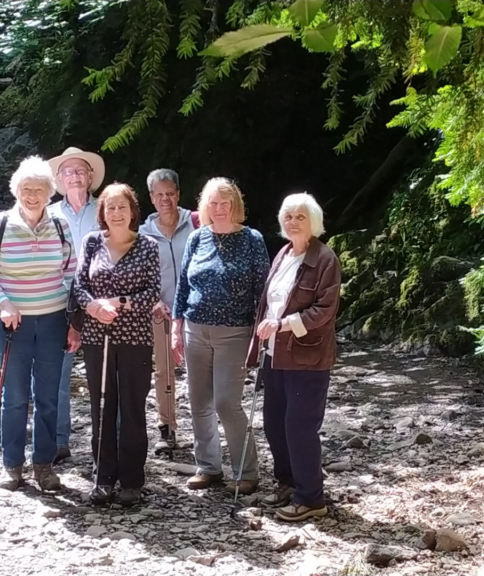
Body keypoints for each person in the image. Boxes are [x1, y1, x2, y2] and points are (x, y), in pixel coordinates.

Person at [0, 155, 81, 492]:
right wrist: (3, 303)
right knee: (15, 396)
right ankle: (12, 466)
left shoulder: (61, 226)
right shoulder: (0, 224)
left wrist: (72, 321)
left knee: (48, 396)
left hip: (53, 321)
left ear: (50, 193)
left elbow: (71, 273)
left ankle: (44, 465)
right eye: (25, 188)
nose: (32, 195)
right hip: (12, 324)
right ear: (16, 190)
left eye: (38, 189)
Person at [171, 177, 269, 495]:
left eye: (225, 202)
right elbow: (183, 287)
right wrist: (175, 328)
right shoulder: (197, 238)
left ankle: (247, 472)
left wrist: (263, 331)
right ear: (205, 207)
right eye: (213, 203)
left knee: (227, 403)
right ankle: (208, 468)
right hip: (194, 330)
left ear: (235, 205)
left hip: (235, 333)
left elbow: (264, 290)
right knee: (199, 402)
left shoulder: (252, 239)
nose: (219, 208)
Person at [248, 192, 341, 522]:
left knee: (300, 427)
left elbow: (324, 310)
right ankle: (289, 482)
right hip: (275, 355)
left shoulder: (325, 259)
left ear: (313, 222)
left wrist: (284, 324)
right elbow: (269, 302)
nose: (292, 221)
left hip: (307, 358)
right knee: (274, 425)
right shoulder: (284, 254)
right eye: (288, 216)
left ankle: (311, 497)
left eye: (300, 216)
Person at [74, 183, 161, 507]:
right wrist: (94, 306)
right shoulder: (91, 242)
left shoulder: (148, 246)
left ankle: (132, 481)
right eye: (110, 207)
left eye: (121, 207)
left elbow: (153, 291)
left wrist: (119, 302)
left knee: (132, 410)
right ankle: (103, 477)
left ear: (132, 211)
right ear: (102, 213)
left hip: (136, 339)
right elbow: (79, 286)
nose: (116, 213)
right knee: (102, 408)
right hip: (98, 338)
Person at [47, 146, 105, 463]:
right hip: (59, 303)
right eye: (68, 171)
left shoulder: (106, 212)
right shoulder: (48, 215)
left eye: (80, 170)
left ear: (91, 177)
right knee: (57, 375)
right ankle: (58, 442)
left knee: (105, 376)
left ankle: (106, 444)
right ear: (59, 179)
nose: (74, 176)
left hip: (99, 304)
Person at [138, 168, 198, 455]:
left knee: (202, 371)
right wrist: (154, 303)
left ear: (179, 195)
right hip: (159, 313)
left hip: (197, 312)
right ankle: (167, 427)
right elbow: (138, 278)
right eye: (159, 194)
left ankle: (204, 428)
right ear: (151, 198)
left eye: (170, 194)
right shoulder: (141, 235)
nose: (165, 199)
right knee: (163, 372)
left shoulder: (197, 224)